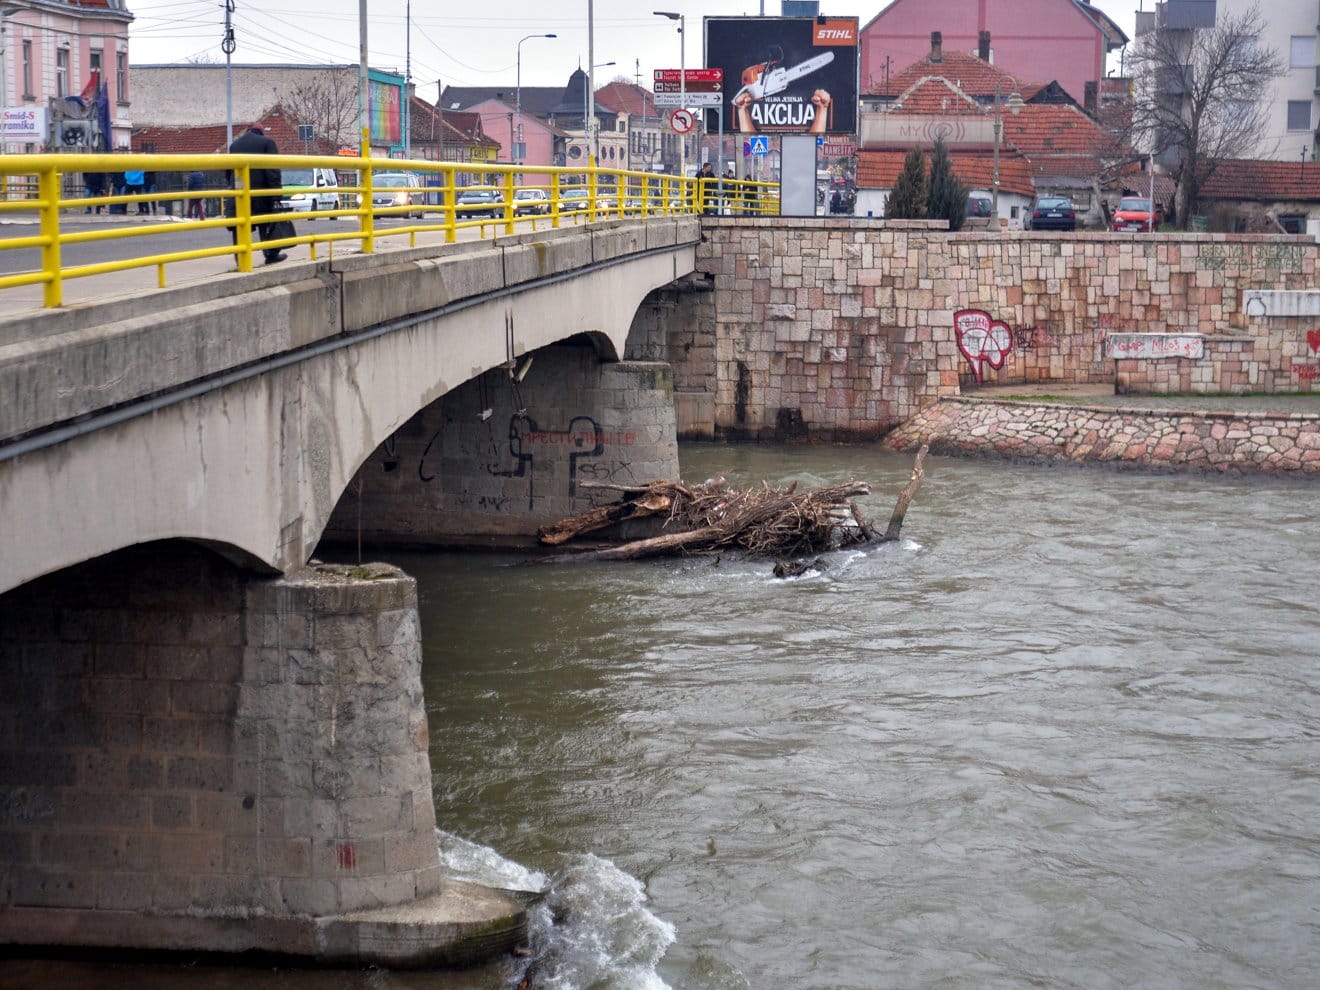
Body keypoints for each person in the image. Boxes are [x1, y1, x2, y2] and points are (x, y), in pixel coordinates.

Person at [227, 124, 287, 265]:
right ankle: (270, 254)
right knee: (266, 223)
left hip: (240, 192)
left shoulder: (234, 146)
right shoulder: (267, 143)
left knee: (241, 225)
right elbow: (272, 171)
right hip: (261, 193)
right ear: (261, 132)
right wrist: (276, 195)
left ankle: (241, 259)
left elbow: (229, 172)